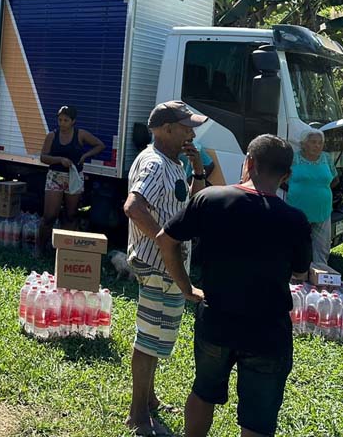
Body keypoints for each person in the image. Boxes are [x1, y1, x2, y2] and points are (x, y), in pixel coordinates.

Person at [156, 135, 311, 437]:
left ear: (249, 162)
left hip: (216, 322)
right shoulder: (295, 220)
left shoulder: (211, 199)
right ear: (286, 176)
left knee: (203, 392)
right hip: (268, 332)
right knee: (257, 419)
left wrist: (186, 288)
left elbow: (166, 240)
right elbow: (301, 274)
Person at [123, 100, 209, 437]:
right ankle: (137, 414)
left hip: (168, 265)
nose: (192, 133)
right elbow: (133, 206)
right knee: (148, 339)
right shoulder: (155, 163)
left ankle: (151, 400)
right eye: (186, 127)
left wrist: (198, 170)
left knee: (157, 336)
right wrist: (163, 240)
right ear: (166, 129)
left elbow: (188, 205)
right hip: (157, 265)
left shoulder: (172, 163)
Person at [39, 106, 106, 243]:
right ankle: (40, 247)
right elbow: (43, 157)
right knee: (50, 216)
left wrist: (85, 155)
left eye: (66, 120)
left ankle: (64, 247)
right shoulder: (52, 136)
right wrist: (59, 160)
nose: (62, 123)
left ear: (73, 121)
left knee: (71, 214)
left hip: (74, 178)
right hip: (55, 177)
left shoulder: (80, 134)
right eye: (60, 120)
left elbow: (100, 145)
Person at [286, 128, 338, 266]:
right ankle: (295, 274)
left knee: (322, 245)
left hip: (323, 208)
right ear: (303, 144)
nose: (317, 145)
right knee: (296, 242)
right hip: (298, 207)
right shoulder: (294, 159)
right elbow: (282, 179)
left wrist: (319, 190)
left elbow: (334, 179)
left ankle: (319, 273)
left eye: (320, 143)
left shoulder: (326, 158)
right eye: (313, 142)